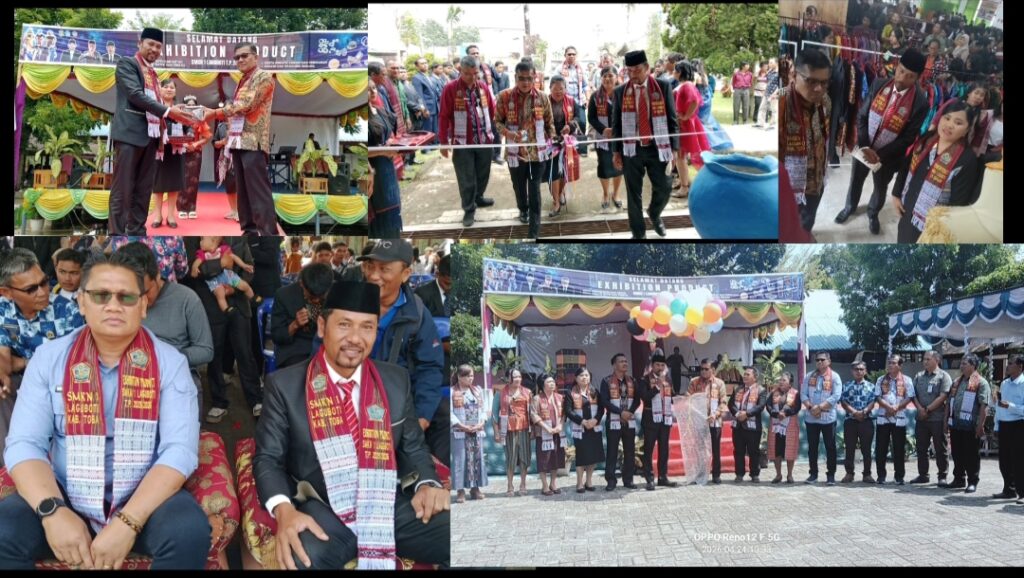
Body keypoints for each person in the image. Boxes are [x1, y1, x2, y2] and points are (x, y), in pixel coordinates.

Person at [0, 252, 208, 570]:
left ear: (142, 305)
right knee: (5, 530)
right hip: (64, 493)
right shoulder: (48, 358)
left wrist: (128, 521)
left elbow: (178, 450)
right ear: (82, 303)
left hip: (143, 497)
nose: (113, 305)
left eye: (126, 296)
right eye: (100, 295)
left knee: (188, 531)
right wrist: (53, 511)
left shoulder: (170, 363)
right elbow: (24, 444)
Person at [253, 280, 449, 570]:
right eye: (344, 325)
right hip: (324, 508)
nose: (355, 338)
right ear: (322, 327)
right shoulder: (285, 385)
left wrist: (427, 483)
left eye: (367, 327)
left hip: (387, 502)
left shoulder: (395, 381)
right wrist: (284, 510)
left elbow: (413, 446)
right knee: (300, 558)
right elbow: (268, 458)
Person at [359, 241, 447, 467]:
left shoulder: (417, 314)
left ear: (406, 274)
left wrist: (422, 418)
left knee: (445, 422)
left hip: (399, 400)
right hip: (353, 395)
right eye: (369, 266)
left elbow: (429, 367)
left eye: (384, 269)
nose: (374, 276)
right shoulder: (349, 302)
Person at [0, 249, 86, 467]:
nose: (42, 292)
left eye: (44, 282)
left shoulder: (66, 311)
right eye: (31, 289)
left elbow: (75, 363)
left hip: (60, 382)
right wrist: (5, 373)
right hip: (23, 382)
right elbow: (4, 361)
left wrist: (23, 363)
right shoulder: (3, 309)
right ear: (7, 293)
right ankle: (10, 468)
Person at [108, 27, 196, 235]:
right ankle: (116, 234)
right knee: (123, 188)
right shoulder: (128, 64)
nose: (154, 49)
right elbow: (135, 95)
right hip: (130, 134)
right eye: (151, 44)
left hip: (151, 137)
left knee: (144, 188)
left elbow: (154, 101)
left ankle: (137, 230)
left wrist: (175, 111)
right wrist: (168, 111)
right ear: (140, 43)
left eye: (158, 46)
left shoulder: (154, 74)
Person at [834, 48, 928, 236]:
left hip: (889, 156)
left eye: (910, 76)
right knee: (855, 181)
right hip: (865, 146)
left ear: (917, 78)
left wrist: (878, 155)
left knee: (880, 187)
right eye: (901, 71)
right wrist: (866, 147)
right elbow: (862, 116)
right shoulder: (879, 84)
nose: (902, 78)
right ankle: (850, 207)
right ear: (897, 67)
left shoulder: (920, 103)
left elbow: (908, 138)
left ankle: (872, 213)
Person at [115, 242, 214, 416]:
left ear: (157, 275)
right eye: (132, 294)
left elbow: (206, 350)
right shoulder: (120, 303)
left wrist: (164, 357)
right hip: (133, 380)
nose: (141, 301)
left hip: (176, 378)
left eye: (145, 292)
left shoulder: (186, 299)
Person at [201, 42, 278, 236]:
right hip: (238, 141)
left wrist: (215, 113)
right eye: (237, 57)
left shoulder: (263, 77)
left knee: (258, 192)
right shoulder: (243, 80)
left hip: (254, 142)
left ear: (256, 56)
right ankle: (249, 231)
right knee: (243, 193)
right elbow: (237, 115)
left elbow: (247, 105)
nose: (240, 60)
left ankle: (268, 234)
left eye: (245, 56)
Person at [611, 50, 678, 240]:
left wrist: (674, 149)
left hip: (659, 148)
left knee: (665, 187)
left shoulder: (663, 87)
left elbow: (672, 120)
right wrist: (616, 152)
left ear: (647, 68)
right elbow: (616, 124)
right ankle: (638, 234)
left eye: (637, 70)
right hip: (632, 149)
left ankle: (655, 213)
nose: (633, 75)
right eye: (629, 71)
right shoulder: (620, 92)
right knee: (633, 195)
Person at [891, 100, 979, 243]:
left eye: (958, 123)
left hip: (932, 225)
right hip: (907, 209)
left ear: (967, 130)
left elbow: (959, 203)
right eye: (947, 118)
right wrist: (896, 194)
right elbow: (906, 166)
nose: (949, 125)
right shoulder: (926, 139)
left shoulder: (967, 159)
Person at [494, 59, 556, 238]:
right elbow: (497, 121)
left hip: (537, 153)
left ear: (534, 77)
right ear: (515, 77)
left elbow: (549, 123)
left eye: (529, 78)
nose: (526, 82)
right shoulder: (504, 97)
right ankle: (523, 209)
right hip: (515, 152)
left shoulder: (543, 98)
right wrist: (509, 133)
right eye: (522, 78)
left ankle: (534, 229)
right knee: (519, 186)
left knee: (534, 188)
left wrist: (551, 143)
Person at [438, 56, 496, 228]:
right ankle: (469, 209)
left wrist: (494, 130)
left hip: (484, 139)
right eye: (467, 74)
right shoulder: (450, 89)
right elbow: (443, 116)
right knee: (466, 177)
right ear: (459, 71)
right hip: (463, 141)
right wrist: (443, 141)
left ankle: (478, 197)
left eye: (475, 73)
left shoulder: (483, 87)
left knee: (483, 173)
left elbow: (492, 110)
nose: (472, 77)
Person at [779, 49, 832, 234]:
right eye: (811, 81)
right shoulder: (781, 104)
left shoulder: (825, 101)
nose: (818, 89)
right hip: (789, 191)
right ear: (793, 75)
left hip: (816, 183)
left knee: (807, 223)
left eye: (824, 83)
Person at [942, 354, 990, 493]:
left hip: (971, 426)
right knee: (957, 453)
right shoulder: (957, 381)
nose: (961, 366)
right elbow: (949, 402)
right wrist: (945, 420)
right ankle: (958, 479)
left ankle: (972, 481)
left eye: (965, 363)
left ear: (973, 366)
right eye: (961, 363)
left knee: (971, 455)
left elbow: (983, 406)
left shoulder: (981, 382)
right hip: (956, 424)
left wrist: (980, 425)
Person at [271, 263, 332, 370]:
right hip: (297, 350)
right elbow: (277, 336)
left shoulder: (334, 293)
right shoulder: (284, 295)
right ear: (301, 284)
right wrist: (295, 325)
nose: (316, 301)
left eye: (321, 296)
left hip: (329, 348)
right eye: (312, 297)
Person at [909, 350, 953, 486]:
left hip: (937, 419)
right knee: (921, 448)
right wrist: (920, 409)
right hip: (921, 419)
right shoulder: (919, 376)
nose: (925, 362)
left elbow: (943, 396)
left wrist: (927, 409)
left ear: (937, 360)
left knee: (940, 448)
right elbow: (913, 395)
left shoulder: (944, 376)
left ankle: (942, 476)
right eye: (924, 359)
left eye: (928, 359)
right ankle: (923, 475)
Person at [148, 78, 187, 230]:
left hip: (176, 150)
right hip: (159, 150)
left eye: (172, 87)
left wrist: (188, 136)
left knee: (174, 184)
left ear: (175, 91)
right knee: (158, 184)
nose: (169, 89)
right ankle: (157, 215)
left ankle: (171, 215)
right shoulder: (154, 107)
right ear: (160, 90)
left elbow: (188, 126)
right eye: (166, 87)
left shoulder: (181, 109)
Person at [801, 351, 843, 485]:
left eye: (822, 360)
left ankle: (831, 475)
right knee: (812, 447)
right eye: (817, 360)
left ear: (828, 362)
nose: (819, 362)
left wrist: (819, 408)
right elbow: (803, 394)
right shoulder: (809, 376)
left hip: (827, 418)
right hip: (811, 417)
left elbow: (836, 396)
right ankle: (813, 474)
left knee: (830, 446)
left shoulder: (835, 377)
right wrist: (811, 408)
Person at [600, 353, 639, 491]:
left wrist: (629, 412)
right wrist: (620, 412)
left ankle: (628, 479)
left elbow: (637, 400)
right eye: (621, 361)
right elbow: (604, 401)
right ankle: (611, 480)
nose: (625, 363)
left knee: (629, 451)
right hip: (614, 421)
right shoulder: (606, 381)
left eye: (626, 361)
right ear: (614, 365)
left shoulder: (632, 380)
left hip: (629, 421)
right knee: (612, 451)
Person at [873, 355, 915, 485]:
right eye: (889, 363)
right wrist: (887, 407)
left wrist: (896, 407)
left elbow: (910, 397)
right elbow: (877, 396)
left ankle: (899, 476)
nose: (890, 365)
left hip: (899, 418)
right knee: (881, 448)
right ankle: (881, 475)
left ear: (900, 366)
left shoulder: (906, 380)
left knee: (899, 448)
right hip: (883, 417)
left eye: (893, 363)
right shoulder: (881, 379)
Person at [588, 66, 624, 211]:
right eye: (604, 76)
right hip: (602, 138)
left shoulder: (622, 94)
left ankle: (616, 193)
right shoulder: (595, 96)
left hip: (620, 138)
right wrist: (604, 130)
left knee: (619, 166)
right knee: (603, 167)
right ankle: (605, 193)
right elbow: (591, 117)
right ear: (601, 79)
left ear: (616, 78)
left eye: (610, 75)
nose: (607, 79)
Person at [672, 60, 710, 198]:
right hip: (684, 124)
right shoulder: (685, 84)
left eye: (675, 70)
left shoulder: (687, 85)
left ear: (680, 72)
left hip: (685, 126)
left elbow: (695, 101)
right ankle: (683, 182)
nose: (673, 72)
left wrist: (686, 116)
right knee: (680, 156)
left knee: (681, 156)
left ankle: (684, 187)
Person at [191, 236, 257, 314]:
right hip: (214, 282)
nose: (200, 242)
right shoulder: (202, 254)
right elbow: (196, 263)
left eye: (202, 239)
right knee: (220, 294)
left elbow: (234, 257)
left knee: (244, 285)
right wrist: (194, 268)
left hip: (228, 276)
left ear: (213, 241)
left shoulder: (223, 249)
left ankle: (252, 297)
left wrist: (244, 265)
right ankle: (227, 309)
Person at [545, 75, 581, 219]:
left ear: (565, 88)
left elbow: (580, 118)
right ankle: (556, 202)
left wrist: (571, 125)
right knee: (553, 172)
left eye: (561, 88)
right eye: (555, 89)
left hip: (567, 141)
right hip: (549, 142)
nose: (558, 91)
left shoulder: (572, 101)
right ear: (550, 89)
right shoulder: (544, 101)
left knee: (564, 171)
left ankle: (560, 193)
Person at [640, 357, 678, 491]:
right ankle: (649, 478)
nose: (660, 367)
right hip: (650, 418)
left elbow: (672, 396)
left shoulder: (668, 379)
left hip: (665, 418)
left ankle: (663, 477)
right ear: (652, 365)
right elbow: (644, 397)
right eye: (657, 365)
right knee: (649, 448)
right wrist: (657, 386)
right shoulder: (645, 379)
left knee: (664, 449)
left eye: (662, 365)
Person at [450, 365, 487, 503]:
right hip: (460, 431)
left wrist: (481, 422)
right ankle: (460, 491)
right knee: (461, 460)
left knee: (476, 459)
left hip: (476, 430)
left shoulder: (477, 391)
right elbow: (450, 413)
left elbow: (483, 409)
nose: (470, 378)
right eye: (468, 376)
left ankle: (475, 488)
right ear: (460, 376)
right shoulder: (452, 392)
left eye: (472, 376)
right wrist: (462, 426)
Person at [564, 367, 604, 493]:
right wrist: (582, 421)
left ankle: (589, 481)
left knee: (593, 456)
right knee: (581, 456)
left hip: (594, 427)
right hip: (580, 428)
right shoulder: (570, 392)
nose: (584, 378)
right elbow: (568, 411)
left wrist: (595, 420)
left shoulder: (594, 391)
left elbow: (601, 409)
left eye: (586, 375)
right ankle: (579, 482)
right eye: (581, 375)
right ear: (576, 378)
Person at [688, 359, 728, 484]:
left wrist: (715, 415)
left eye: (706, 369)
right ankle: (700, 474)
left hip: (714, 421)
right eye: (701, 369)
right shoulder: (694, 382)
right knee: (699, 448)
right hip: (699, 422)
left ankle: (716, 475)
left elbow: (723, 402)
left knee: (715, 449)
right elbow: (687, 398)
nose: (703, 371)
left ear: (713, 370)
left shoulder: (720, 383)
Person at [495, 368, 531, 497]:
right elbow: (494, 415)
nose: (518, 379)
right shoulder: (500, 393)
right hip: (508, 430)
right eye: (515, 377)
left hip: (524, 429)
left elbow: (531, 413)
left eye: (519, 377)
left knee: (524, 458)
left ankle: (523, 484)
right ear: (508, 378)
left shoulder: (527, 392)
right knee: (511, 458)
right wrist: (496, 432)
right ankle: (510, 485)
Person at [839, 361, 877, 484]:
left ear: (865, 371)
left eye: (861, 369)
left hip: (866, 421)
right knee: (849, 448)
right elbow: (843, 402)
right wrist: (855, 413)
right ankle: (849, 474)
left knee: (867, 449)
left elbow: (873, 401)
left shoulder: (871, 386)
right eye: (856, 369)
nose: (859, 371)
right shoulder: (846, 386)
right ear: (852, 371)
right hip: (850, 421)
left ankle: (867, 474)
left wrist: (864, 412)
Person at [993, 355, 1024, 504]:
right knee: (1004, 460)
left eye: (1011, 364)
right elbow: (1000, 406)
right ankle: (1009, 490)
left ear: (1020, 366)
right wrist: (996, 425)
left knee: (1018, 461)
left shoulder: (1023, 383)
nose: (1007, 366)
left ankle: (1022, 493)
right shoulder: (1004, 384)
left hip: (1018, 425)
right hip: (1004, 424)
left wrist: (1010, 407)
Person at [177, 94, 212, 221]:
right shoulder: (179, 118)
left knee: (193, 180)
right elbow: (173, 133)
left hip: (195, 152)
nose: (191, 107)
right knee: (181, 179)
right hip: (181, 150)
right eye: (188, 105)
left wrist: (195, 144)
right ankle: (181, 208)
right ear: (184, 106)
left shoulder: (200, 119)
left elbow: (207, 137)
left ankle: (191, 208)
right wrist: (184, 143)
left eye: (193, 105)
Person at [728, 366, 767, 482]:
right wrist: (738, 414)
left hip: (753, 427)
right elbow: (731, 405)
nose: (744, 376)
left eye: (747, 374)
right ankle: (739, 474)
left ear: (755, 377)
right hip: (738, 425)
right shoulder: (738, 389)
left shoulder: (761, 390)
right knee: (738, 450)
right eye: (744, 374)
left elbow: (760, 406)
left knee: (753, 451)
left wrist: (747, 414)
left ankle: (754, 474)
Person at [531, 374, 565, 496]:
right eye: (549, 382)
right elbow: (534, 415)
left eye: (553, 382)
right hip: (543, 434)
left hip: (557, 433)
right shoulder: (537, 398)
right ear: (542, 384)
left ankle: (553, 483)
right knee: (544, 459)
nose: (552, 384)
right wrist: (547, 428)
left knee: (556, 457)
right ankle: (545, 485)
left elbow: (564, 414)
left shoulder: (560, 397)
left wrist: (560, 425)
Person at [767, 372, 800, 484]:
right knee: (777, 451)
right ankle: (778, 475)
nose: (781, 382)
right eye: (780, 380)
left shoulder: (795, 394)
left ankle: (789, 475)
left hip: (789, 426)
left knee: (789, 450)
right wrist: (776, 414)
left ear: (790, 383)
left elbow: (797, 408)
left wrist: (786, 413)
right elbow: (769, 406)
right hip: (776, 427)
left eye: (784, 380)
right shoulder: (773, 393)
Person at [212, 99, 239, 221]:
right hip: (225, 159)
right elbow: (214, 143)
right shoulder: (221, 126)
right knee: (230, 186)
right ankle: (233, 210)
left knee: (239, 186)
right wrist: (222, 142)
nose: (229, 113)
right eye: (226, 110)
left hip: (238, 158)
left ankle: (240, 212)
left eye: (231, 110)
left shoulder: (241, 124)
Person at [560, 46, 589, 159]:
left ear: (576, 56)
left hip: (579, 101)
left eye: (573, 54)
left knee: (581, 123)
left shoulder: (581, 69)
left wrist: (587, 98)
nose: (571, 56)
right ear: (565, 56)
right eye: (569, 54)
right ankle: (565, 147)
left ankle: (582, 149)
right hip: (565, 102)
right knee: (566, 124)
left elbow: (585, 86)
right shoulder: (559, 69)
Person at [412, 57, 440, 150]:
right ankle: (426, 148)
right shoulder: (417, 78)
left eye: (426, 63)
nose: (425, 65)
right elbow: (419, 95)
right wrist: (424, 109)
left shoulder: (427, 76)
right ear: (417, 66)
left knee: (434, 127)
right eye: (422, 63)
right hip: (427, 107)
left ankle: (434, 145)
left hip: (434, 106)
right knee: (427, 128)